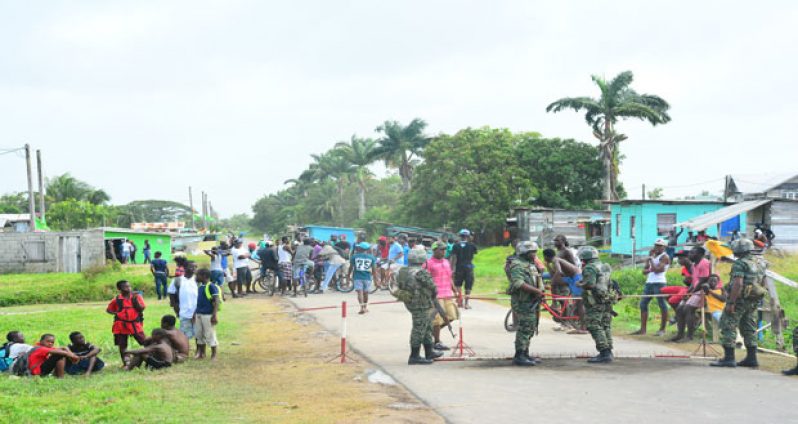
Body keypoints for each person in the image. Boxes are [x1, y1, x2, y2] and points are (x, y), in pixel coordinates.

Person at [711, 238, 766, 368]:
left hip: (740, 300)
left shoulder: (740, 264)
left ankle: (729, 358)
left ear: (738, 250)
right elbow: (762, 282)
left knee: (727, 324)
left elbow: (738, 283)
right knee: (749, 327)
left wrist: (731, 302)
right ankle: (751, 358)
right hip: (753, 299)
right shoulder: (760, 262)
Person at [394, 248, 442, 365]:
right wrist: (433, 295)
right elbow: (433, 287)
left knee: (427, 326)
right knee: (419, 328)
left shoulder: (402, 270)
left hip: (410, 302)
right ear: (422, 259)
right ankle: (414, 356)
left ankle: (429, 351)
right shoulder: (421, 272)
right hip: (421, 304)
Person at [507, 241, 544, 366]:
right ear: (524, 252)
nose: (534, 254)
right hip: (523, 302)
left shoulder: (529, 264)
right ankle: (519, 355)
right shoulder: (517, 265)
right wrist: (536, 291)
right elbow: (518, 283)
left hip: (532, 301)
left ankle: (525, 353)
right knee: (524, 328)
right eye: (532, 252)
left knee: (530, 327)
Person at [578, 247, 616, 363]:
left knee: (594, 325)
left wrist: (580, 284)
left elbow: (589, 284)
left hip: (595, 301)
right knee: (605, 325)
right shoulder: (605, 266)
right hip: (607, 299)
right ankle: (608, 350)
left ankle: (604, 352)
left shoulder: (590, 267)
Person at [671, 247, 711, 342]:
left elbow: (703, 280)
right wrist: (688, 292)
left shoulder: (704, 263)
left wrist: (692, 292)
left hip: (704, 292)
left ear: (700, 254)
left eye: (693, 253)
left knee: (688, 308)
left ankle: (689, 336)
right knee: (679, 309)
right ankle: (680, 334)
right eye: (690, 253)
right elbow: (694, 282)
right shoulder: (694, 265)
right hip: (696, 291)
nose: (690, 255)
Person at [632, 239, 670, 336]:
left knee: (662, 305)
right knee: (643, 304)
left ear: (664, 247)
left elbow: (657, 270)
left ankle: (662, 329)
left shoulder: (664, 257)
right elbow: (644, 271)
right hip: (649, 282)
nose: (656, 247)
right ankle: (643, 329)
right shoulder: (653, 257)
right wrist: (649, 260)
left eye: (659, 246)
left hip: (659, 283)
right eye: (656, 245)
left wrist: (651, 260)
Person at [425, 241, 459, 350]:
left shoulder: (446, 262)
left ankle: (430, 332)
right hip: (435, 296)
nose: (443, 251)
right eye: (441, 249)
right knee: (437, 319)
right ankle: (437, 342)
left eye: (444, 249)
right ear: (434, 250)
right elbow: (425, 280)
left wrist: (455, 291)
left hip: (447, 294)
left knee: (452, 315)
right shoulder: (428, 263)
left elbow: (449, 278)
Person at [106, 280, 146, 363]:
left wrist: (135, 301)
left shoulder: (136, 296)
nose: (128, 289)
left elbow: (142, 308)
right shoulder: (117, 299)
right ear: (119, 289)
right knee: (122, 344)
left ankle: (151, 356)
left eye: (129, 286)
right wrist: (117, 314)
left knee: (144, 341)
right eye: (125, 287)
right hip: (120, 324)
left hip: (134, 323)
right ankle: (126, 362)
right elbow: (108, 310)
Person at [553, 235, 586, 334]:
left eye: (557, 240)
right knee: (553, 283)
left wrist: (560, 271)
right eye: (554, 240)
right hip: (569, 277)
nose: (555, 242)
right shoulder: (559, 252)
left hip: (574, 277)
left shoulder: (566, 251)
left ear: (563, 241)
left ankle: (583, 328)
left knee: (579, 302)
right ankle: (556, 306)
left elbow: (573, 264)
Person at [168, 261, 198, 340]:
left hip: (197, 312)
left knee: (199, 334)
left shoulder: (198, 280)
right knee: (185, 335)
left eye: (196, 267)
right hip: (184, 312)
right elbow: (171, 295)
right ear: (184, 268)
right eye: (192, 267)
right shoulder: (177, 280)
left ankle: (199, 351)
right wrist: (176, 309)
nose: (194, 269)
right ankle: (185, 350)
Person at [194, 268, 220, 360]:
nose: (196, 277)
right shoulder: (200, 287)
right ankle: (201, 353)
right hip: (199, 314)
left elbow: (216, 301)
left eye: (198, 275)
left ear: (204, 276)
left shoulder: (211, 286)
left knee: (210, 334)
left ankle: (214, 355)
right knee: (199, 334)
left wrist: (214, 315)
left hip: (208, 314)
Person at [450, 229, 478, 309]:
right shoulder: (472, 245)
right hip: (469, 267)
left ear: (460, 236)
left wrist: (452, 269)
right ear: (468, 236)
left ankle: (459, 301)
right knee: (468, 285)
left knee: (458, 284)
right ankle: (466, 304)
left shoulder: (455, 246)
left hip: (459, 267)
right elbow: (475, 252)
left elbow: (453, 258)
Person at [348, 242, 378, 314]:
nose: (358, 248)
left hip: (357, 277)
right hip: (367, 277)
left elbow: (351, 267)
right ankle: (365, 307)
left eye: (359, 247)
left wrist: (348, 275)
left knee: (359, 293)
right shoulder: (371, 257)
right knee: (366, 293)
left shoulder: (354, 257)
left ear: (360, 248)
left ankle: (362, 308)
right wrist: (375, 280)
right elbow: (374, 270)